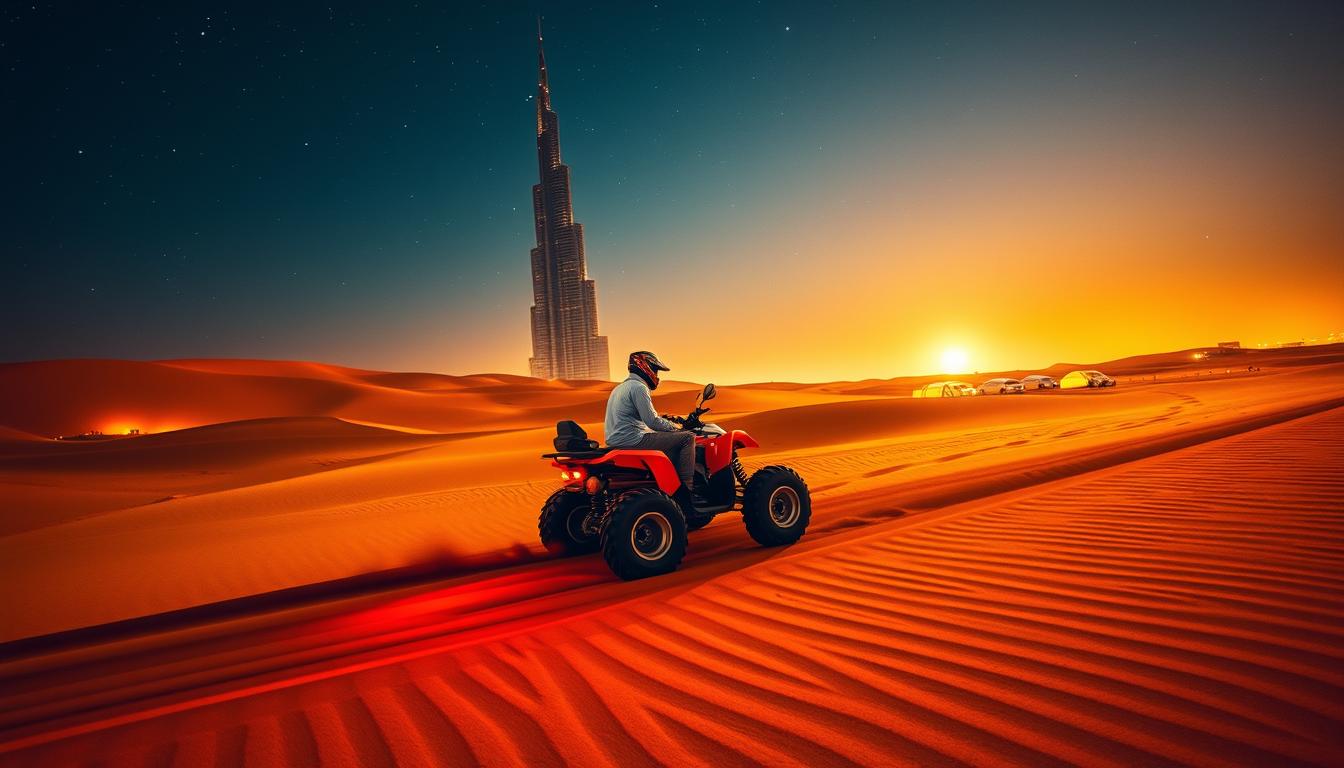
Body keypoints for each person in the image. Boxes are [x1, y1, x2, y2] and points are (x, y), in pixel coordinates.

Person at [604, 350, 696, 511]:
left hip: (615, 441)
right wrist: (676, 428)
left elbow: (635, 418)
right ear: (644, 366)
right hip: (632, 440)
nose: (656, 375)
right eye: (655, 370)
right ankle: (687, 492)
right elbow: (652, 421)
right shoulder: (639, 387)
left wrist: (665, 422)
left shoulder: (619, 388)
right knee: (687, 438)